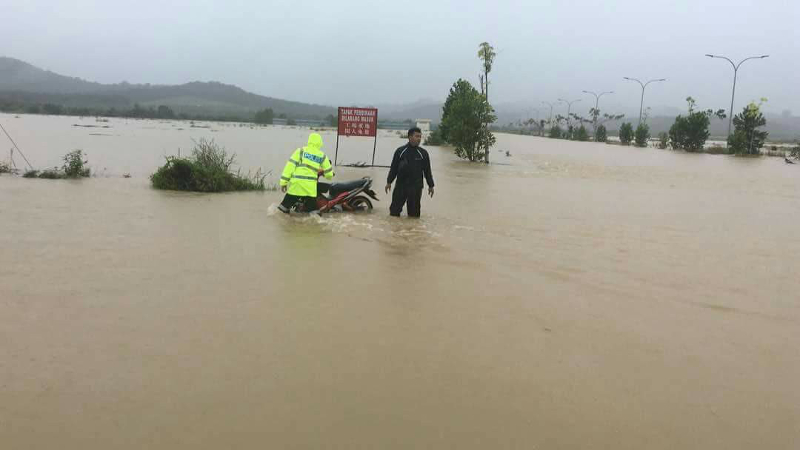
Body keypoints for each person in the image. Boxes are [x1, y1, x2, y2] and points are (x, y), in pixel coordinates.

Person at [278, 133, 334, 213]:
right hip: (310, 188)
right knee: (313, 213)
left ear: (309, 141)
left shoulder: (300, 151)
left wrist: (283, 182)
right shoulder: (322, 155)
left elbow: (289, 167)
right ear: (320, 143)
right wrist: (327, 175)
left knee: (282, 209)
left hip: (296, 186)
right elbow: (329, 174)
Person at [385, 127, 434, 217]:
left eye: (420, 136)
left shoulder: (423, 153)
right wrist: (389, 182)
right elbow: (394, 168)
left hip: (416, 187)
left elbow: (427, 171)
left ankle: (412, 231)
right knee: (394, 212)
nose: (419, 139)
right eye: (417, 136)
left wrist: (431, 185)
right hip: (401, 186)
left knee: (414, 215)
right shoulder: (400, 151)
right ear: (410, 137)